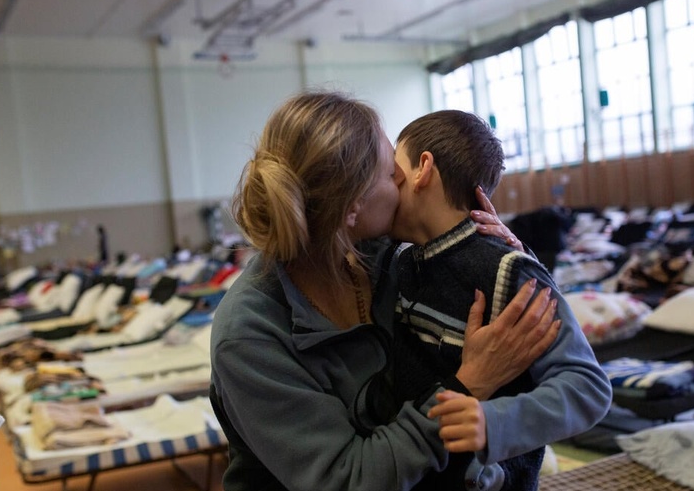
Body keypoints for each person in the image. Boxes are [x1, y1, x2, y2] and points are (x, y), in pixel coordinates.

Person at [209, 91, 561, 491]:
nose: (402, 179)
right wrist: (467, 387)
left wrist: (502, 255)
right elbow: (348, 479)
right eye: (391, 172)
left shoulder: (388, 256)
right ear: (352, 208)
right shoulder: (249, 334)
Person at [389, 110, 612, 491]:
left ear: (422, 169)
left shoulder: (508, 271)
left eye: (391, 173)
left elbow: (587, 387)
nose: (383, 186)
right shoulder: (404, 262)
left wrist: (493, 422)